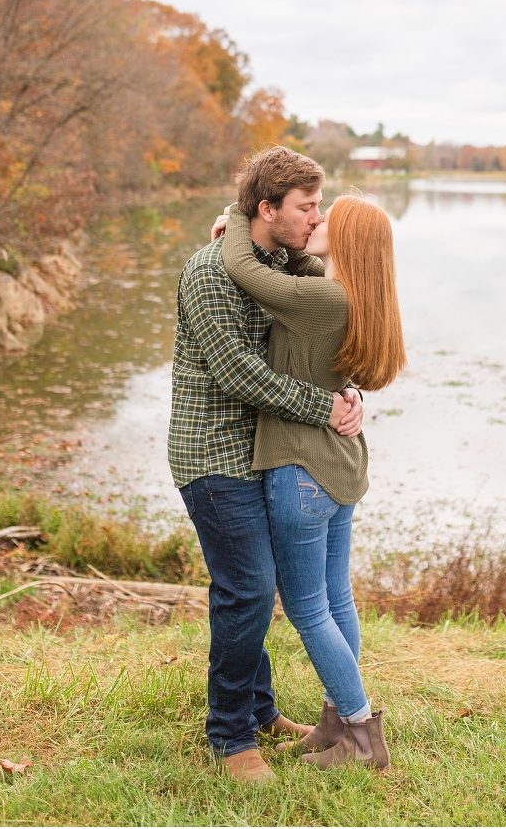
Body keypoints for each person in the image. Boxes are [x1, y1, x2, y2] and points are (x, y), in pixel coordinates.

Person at [167, 147, 364, 785]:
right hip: (213, 453)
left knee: (257, 590)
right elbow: (237, 374)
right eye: (306, 207)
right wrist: (325, 407)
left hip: (266, 453)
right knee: (247, 589)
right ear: (267, 208)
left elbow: (333, 305)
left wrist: (349, 393)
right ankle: (230, 738)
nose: (316, 217)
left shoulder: (275, 261)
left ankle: (259, 710)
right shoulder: (207, 272)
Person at [217, 190, 406, 771]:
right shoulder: (357, 298)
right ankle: (333, 720)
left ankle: (359, 732)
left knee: (306, 610)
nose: (317, 220)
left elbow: (244, 267)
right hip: (341, 467)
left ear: (348, 241)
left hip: (300, 471)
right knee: (335, 597)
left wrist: (235, 224)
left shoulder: (317, 297)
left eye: (330, 217)